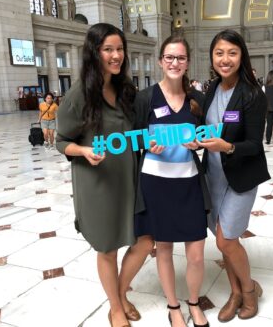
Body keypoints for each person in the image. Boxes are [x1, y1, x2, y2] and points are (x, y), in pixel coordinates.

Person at [56, 23, 153, 327]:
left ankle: (121, 293)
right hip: (98, 184)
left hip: (129, 180)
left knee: (145, 240)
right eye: (108, 49)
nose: (116, 55)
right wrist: (83, 151)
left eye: (119, 49)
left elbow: (132, 134)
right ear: (94, 53)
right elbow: (61, 141)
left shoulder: (126, 90)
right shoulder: (78, 95)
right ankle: (115, 306)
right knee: (108, 248)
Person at [134, 35, 211, 327]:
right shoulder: (146, 98)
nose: (175, 63)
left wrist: (199, 145)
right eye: (169, 57)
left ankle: (193, 302)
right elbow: (135, 138)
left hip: (189, 183)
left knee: (196, 253)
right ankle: (173, 306)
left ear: (187, 62)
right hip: (156, 183)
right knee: (163, 247)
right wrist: (145, 144)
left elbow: (204, 136)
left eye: (180, 58)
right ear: (160, 61)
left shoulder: (197, 99)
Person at [197, 29, 270, 322]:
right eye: (219, 53)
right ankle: (235, 292)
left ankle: (250, 291)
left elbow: (254, 144)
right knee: (220, 236)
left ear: (242, 56)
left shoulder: (252, 94)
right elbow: (209, 128)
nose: (225, 59)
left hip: (240, 177)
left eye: (232, 53)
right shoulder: (212, 90)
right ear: (212, 57)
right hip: (214, 174)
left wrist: (226, 147)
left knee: (226, 241)